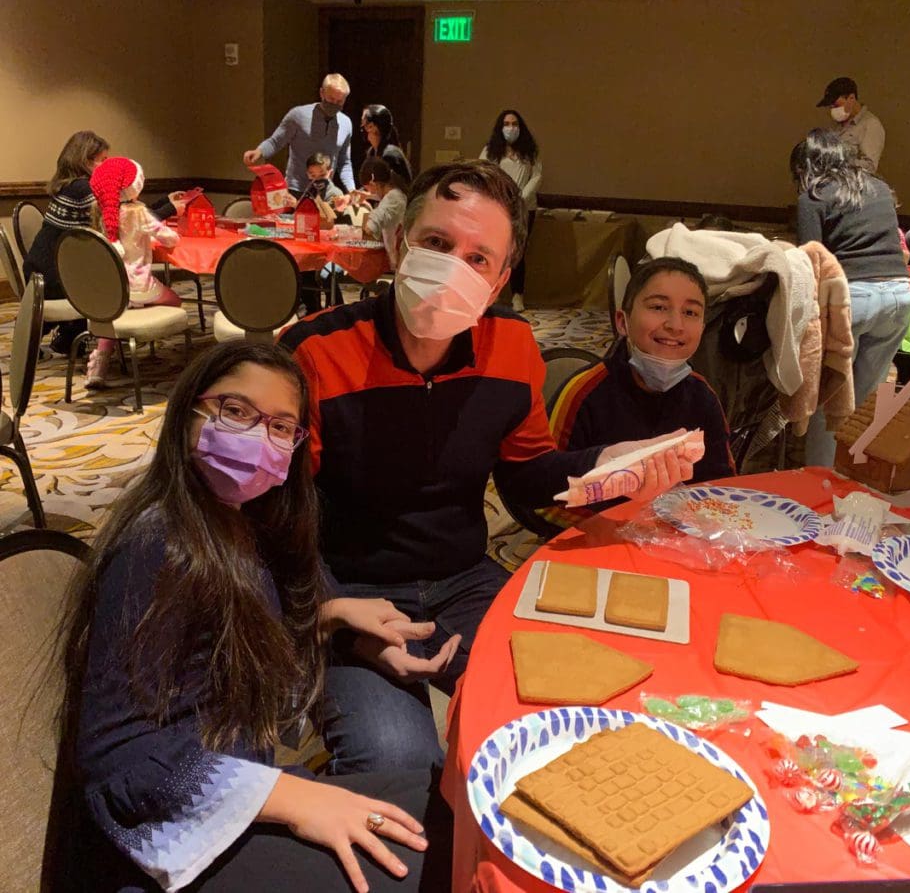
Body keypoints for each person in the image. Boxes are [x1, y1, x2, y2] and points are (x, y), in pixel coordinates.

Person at [278, 159, 695, 775]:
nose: (452, 268)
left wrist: (602, 466)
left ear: (499, 280)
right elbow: (275, 524)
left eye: (478, 259)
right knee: (401, 761)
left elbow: (528, 478)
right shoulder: (314, 351)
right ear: (398, 244)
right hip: (351, 583)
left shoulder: (512, 345)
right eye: (436, 243)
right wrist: (341, 621)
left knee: (570, 716)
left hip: (463, 578)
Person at [56, 341, 452, 893]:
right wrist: (290, 796)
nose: (256, 438)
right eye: (236, 411)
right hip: (165, 836)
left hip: (240, 789)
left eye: (281, 426)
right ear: (189, 410)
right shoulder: (161, 544)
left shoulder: (253, 520)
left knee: (444, 804)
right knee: (434, 867)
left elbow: (239, 637)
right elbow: (119, 758)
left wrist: (332, 618)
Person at [549, 257, 735, 481]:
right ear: (622, 322)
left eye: (690, 313)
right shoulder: (583, 394)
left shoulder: (703, 398)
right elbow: (543, 494)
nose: (675, 325)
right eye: (658, 307)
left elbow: (721, 483)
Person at [791, 129, 910, 465]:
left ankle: (820, 482)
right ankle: (853, 474)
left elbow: (812, 260)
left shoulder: (813, 196)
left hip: (853, 297)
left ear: (806, 166)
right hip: (900, 296)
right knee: (863, 400)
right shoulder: (877, 188)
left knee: (831, 399)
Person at [84, 157, 182, 388]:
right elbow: (169, 238)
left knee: (110, 320)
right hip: (139, 286)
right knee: (175, 300)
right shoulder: (138, 214)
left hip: (111, 292)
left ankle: (100, 364)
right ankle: (146, 334)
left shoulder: (99, 213)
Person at [22, 131, 109, 355]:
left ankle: (64, 336)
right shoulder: (83, 189)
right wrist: (167, 208)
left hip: (40, 269)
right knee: (108, 283)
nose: (106, 167)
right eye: (103, 161)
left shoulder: (66, 185)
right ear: (86, 160)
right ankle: (74, 335)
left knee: (90, 271)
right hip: (53, 278)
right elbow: (118, 220)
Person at [243, 74, 355, 195]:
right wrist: (259, 151)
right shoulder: (298, 115)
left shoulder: (346, 123)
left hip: (324, 191)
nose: (334, 104)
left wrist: (352, 189)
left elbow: (344, 162)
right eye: (331, 99)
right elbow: (275, 142)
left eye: (339, 101)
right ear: (322, 93)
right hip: (295, 190)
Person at [480, 109, 542, 312]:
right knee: (495, 250)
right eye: (506, 124)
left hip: (524, 207)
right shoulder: (490, 150)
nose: (511, 128)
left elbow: (537, 176)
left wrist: (522, 197)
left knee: (517, 251)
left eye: (514, 124)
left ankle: (517, 295)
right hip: (498, 206)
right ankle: (493, 292)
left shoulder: (530, 151)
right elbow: (482, 173)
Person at [816, 76, 885, 174]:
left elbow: (870, 167)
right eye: (830, 107)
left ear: (851, 98)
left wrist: (838, 162)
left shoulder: (870, 124)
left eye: (836, 106)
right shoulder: (840, 124)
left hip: (853, 186)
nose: (833, 110)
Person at [358, 156, 408, 269]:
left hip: (400, 258)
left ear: (373, 183)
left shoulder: (393, 198)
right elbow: (384, 200)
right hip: (400, 255)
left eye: (368, 188)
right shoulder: (396, 192)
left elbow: (376, 220)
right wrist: (368, 196)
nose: (368, 191)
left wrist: (365, 228)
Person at [362, 104, 414, 183]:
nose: (362, 126)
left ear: (372, 127)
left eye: (364, 123)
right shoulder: (372, 152)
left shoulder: (390, 155)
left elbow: (389, 189)